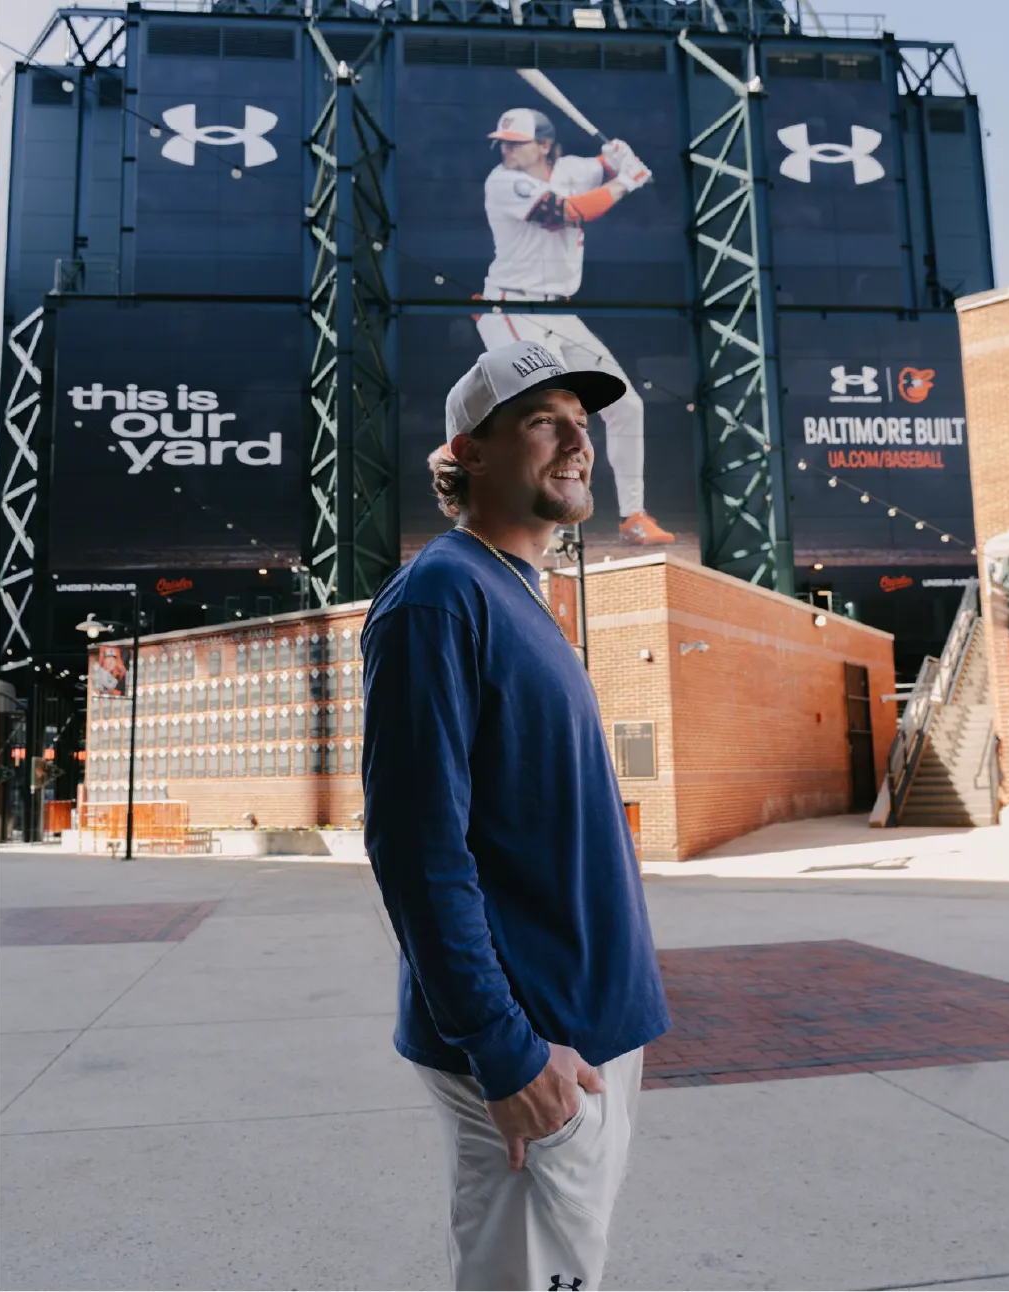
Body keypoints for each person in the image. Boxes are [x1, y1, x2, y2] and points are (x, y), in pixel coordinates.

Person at [361, 338, 669, 1292]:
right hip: (535, 1054)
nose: (579, 440)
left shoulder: (523, 595)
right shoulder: (442, 594)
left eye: (586, 423)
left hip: (586, 1039)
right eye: (544, 420)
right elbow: (418, 850)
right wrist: (505, 1050)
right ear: (472, 450)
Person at [474, 106, 675, 548]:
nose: (505, 149)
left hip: (559, 311)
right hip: (510, 308)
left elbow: (600, 166)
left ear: (544, 145)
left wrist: (618, 157)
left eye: (516, 142)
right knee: (546, 410)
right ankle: (543, 516)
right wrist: (625, 181)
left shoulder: (570, 168)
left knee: (626, 405)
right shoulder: (502, 181)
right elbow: (565, 212)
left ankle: (633, 517)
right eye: (503, 142)